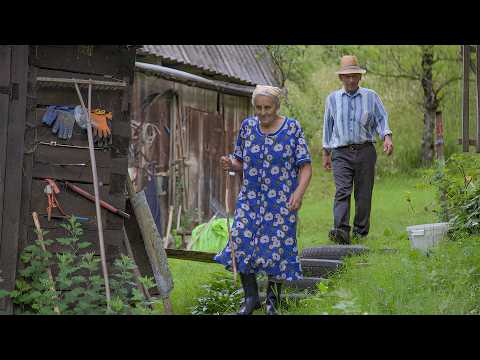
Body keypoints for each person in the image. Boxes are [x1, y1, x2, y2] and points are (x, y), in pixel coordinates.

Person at [214, 85, 312, 315]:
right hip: (250, 199)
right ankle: (251, 298)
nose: (262, 112)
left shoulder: (292, 128)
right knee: (240, 241)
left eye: (267, 107)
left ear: (277, 106)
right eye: (258, 107)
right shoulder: (248, 127)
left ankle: (273, 302)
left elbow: (306, 167)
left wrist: (298, 194)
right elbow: (240, 163)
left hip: (281, 201)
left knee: (277, 249)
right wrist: (231, 164)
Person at [322, 55, 393, 244]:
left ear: (360, 76)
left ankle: (360, 233)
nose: (351, 80)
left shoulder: (371, 96)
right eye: (347, 76)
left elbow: (381, 118)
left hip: (365, 151)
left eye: (354, 75)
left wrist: (386, 137)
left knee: (363, 193)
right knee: (342, 191)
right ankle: (341, 231)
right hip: (341, 152)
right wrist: (326, 153)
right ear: (341, 78)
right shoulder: (332, 99)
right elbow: (327, 126)